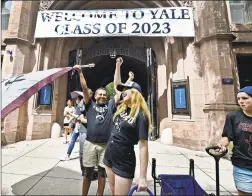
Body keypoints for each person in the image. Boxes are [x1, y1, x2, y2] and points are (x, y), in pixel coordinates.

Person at [73, 60, 134, 196]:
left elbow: (120, 90)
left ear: (107, 97)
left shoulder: (111, 105)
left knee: (102, 173)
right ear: (94, 96)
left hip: (106, 145)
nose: (102, 96)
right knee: (88, 173)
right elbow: (84, 87)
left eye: (104, 94)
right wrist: (80, 72)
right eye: (99, 94)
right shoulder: (90, 105)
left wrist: (128, 78)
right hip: (90, 143)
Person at [103, 57, 152, 195]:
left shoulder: (141, 116)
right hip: (110, 154)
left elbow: (143, 146)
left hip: (124, 159)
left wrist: (142, 176)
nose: (123, 92)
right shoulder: (121, 107)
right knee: (112, 192)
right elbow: (116, 84)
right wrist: (118, 66)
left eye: (126, 90)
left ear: (135, 93)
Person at [217, 86, 252, 196]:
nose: (241, 101)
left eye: (245, 98)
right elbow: (227, 137)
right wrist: (221, 145)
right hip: (242, 165)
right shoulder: (233, 117)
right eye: (238, 99)